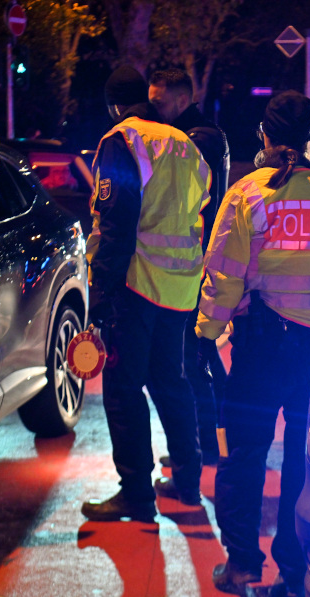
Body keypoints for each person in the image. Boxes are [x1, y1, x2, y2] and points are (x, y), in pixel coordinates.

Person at [197, 91, 310, 597]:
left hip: (259, 347)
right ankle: (296, 572)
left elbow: (224, 276)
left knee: (243, 452)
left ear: (264, 136)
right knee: (306, 457)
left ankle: (241, 564)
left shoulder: (248, 194)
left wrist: (207, 335)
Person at [81, 65, 210, 523]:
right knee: (171, 382)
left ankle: (135, 493)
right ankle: (189, 480)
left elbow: (115, 228)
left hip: (137, 288)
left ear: (115, 105)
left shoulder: (122, 141)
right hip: (180, 289)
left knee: (122, 389)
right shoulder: (186, 144)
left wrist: (100, 296)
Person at [149, 68, 230, 465]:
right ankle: (213, 442)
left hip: (194, 266)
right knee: (199, 355)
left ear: (182, 100)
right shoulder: (201, 136)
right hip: (194, 263)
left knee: (192, 360)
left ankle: (205, 447)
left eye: (159, 102)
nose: (153, 110)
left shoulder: (196, 140)